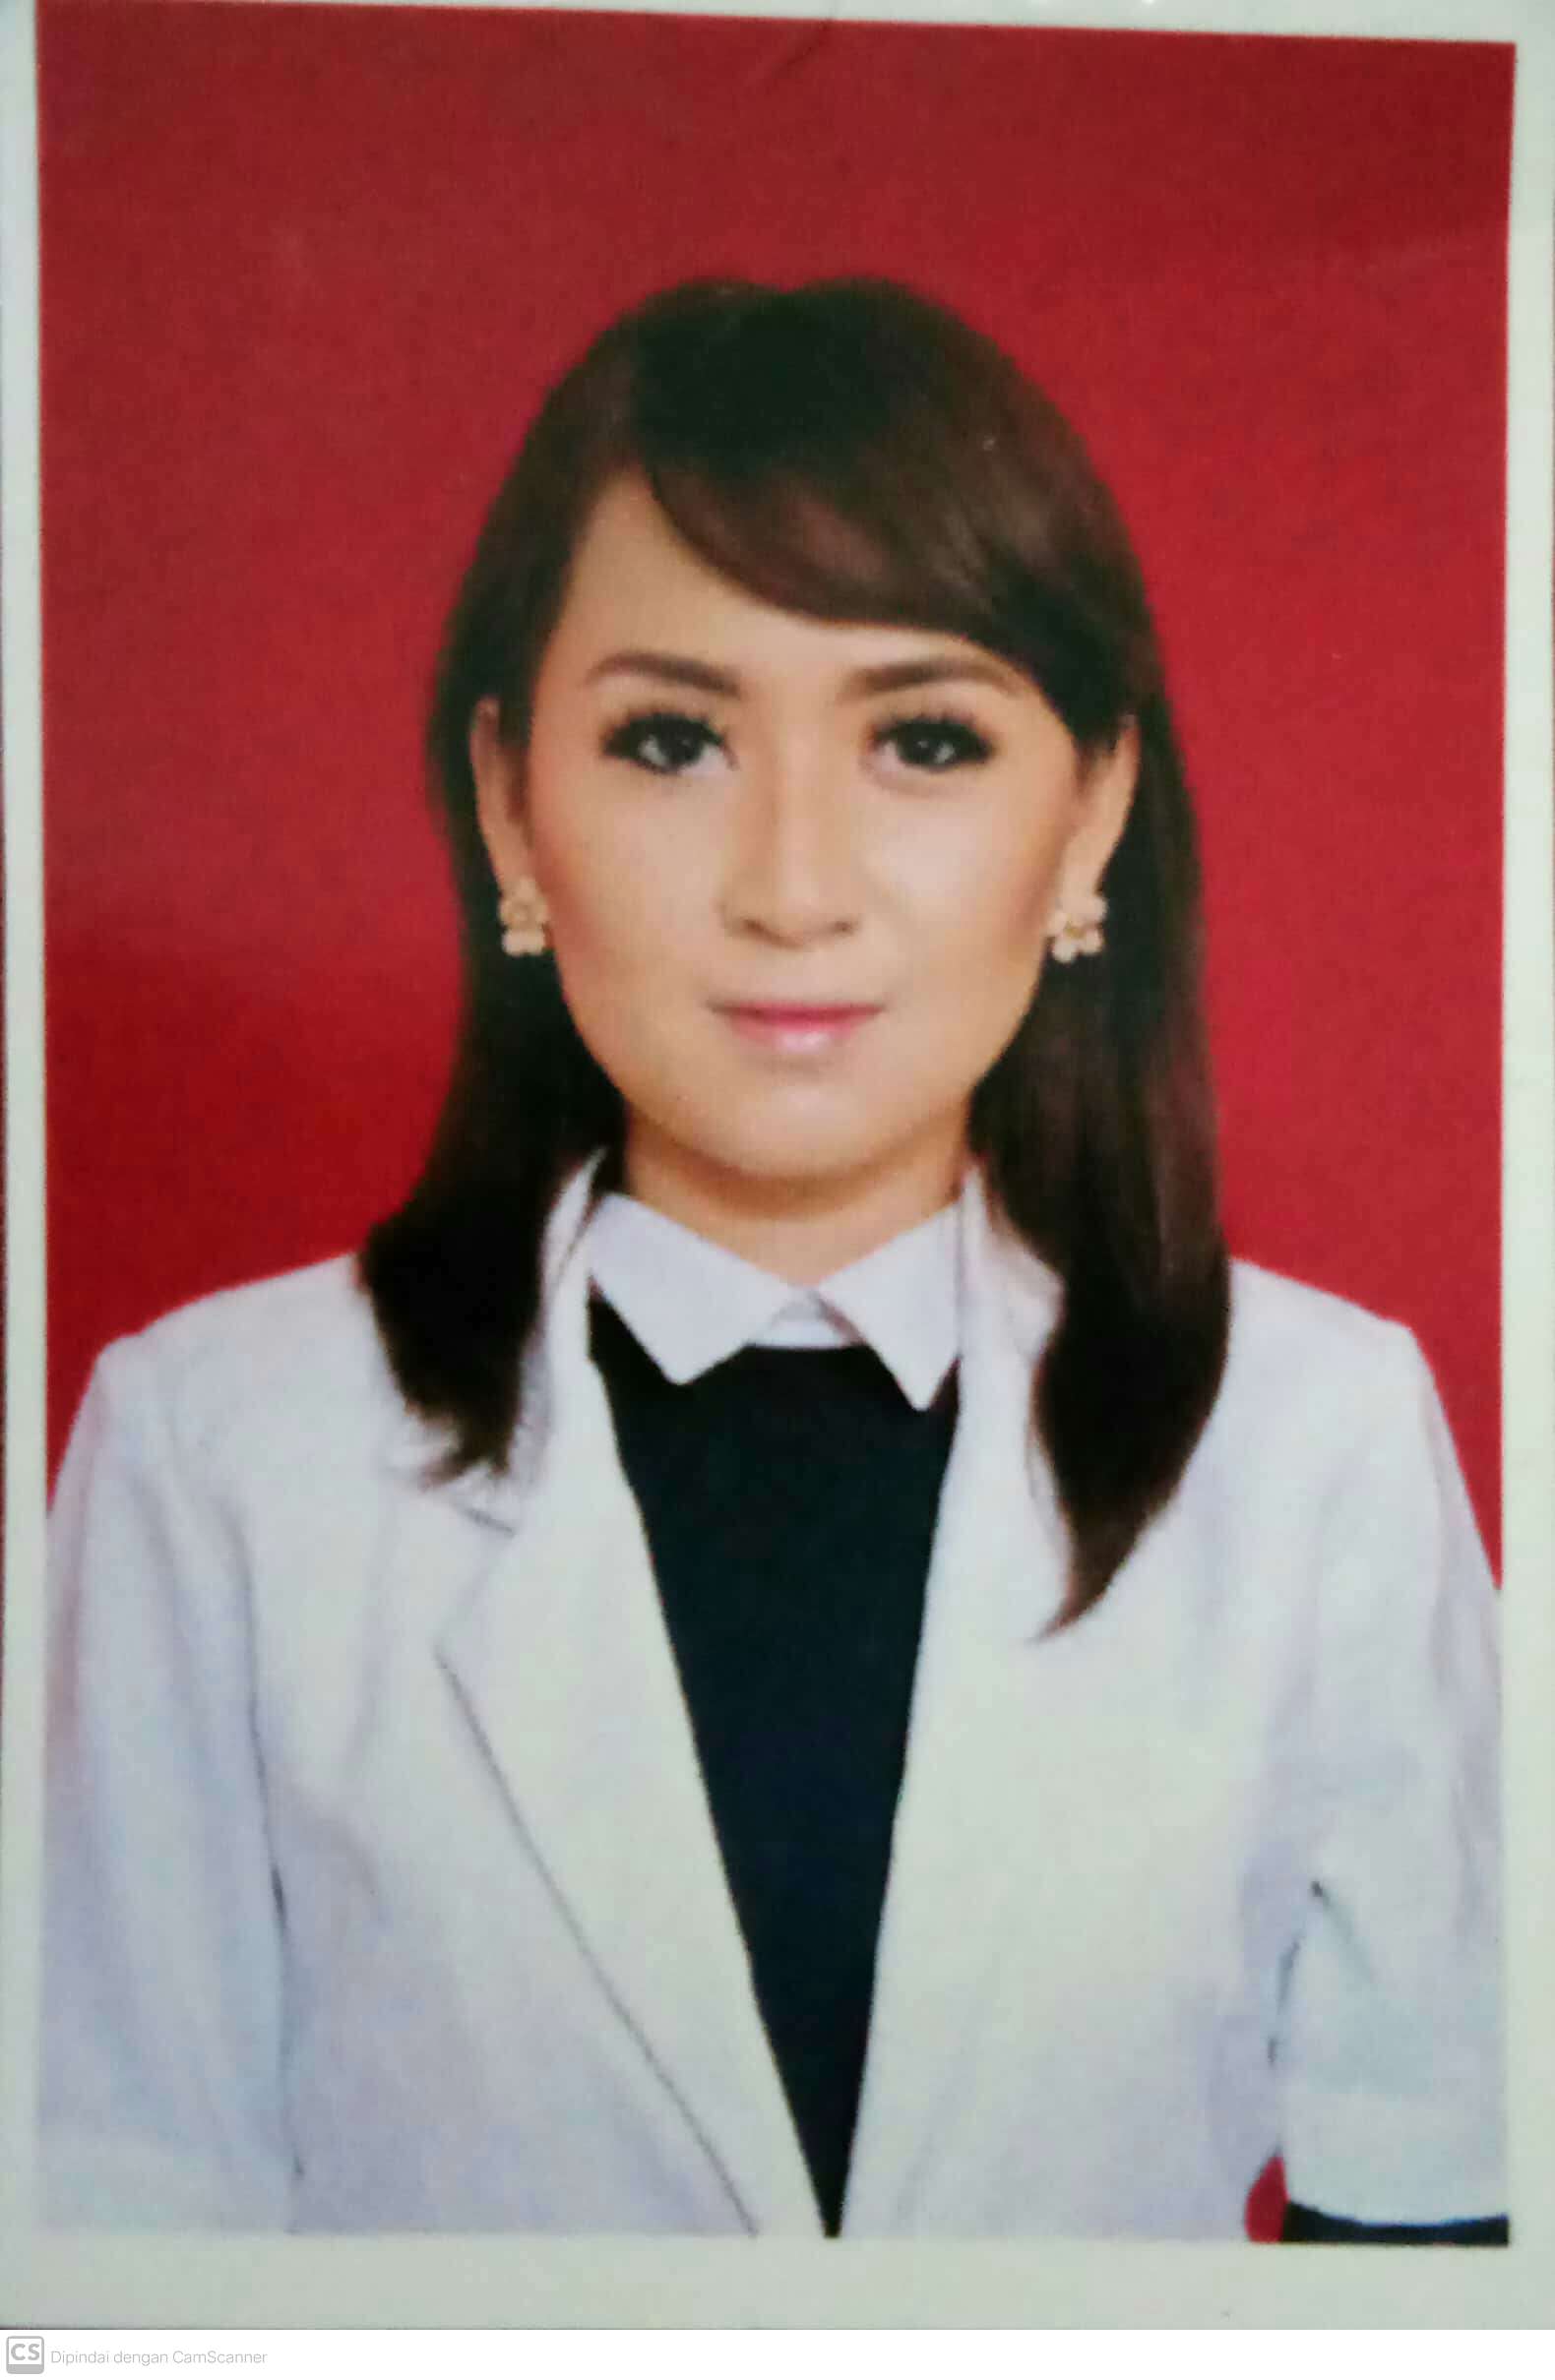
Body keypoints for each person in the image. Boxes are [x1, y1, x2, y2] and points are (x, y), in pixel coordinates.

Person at [41, 278, 1504, 2241]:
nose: (793, 887)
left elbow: (1445, 2217)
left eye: (923, 739)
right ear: (510, 805)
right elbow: (115, 2239)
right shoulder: (217, 1454)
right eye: (671, 739)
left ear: (1092, 816)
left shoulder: (1318, 1438)